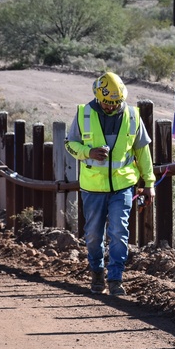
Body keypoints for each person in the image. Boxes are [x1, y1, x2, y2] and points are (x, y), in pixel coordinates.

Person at [65, 72, 155, 296]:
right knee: (94, 235)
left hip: (123, 186)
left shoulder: (133, 116)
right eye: (107, 102)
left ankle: (115, 279)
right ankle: (97, 272)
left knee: (118, 231)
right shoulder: (83, 114)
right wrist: (89, 152)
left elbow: (143, 152)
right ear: (98, 97)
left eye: (116, 102)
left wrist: (149, 182)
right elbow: (70, 144)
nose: (111, 107)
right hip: (93, 187)